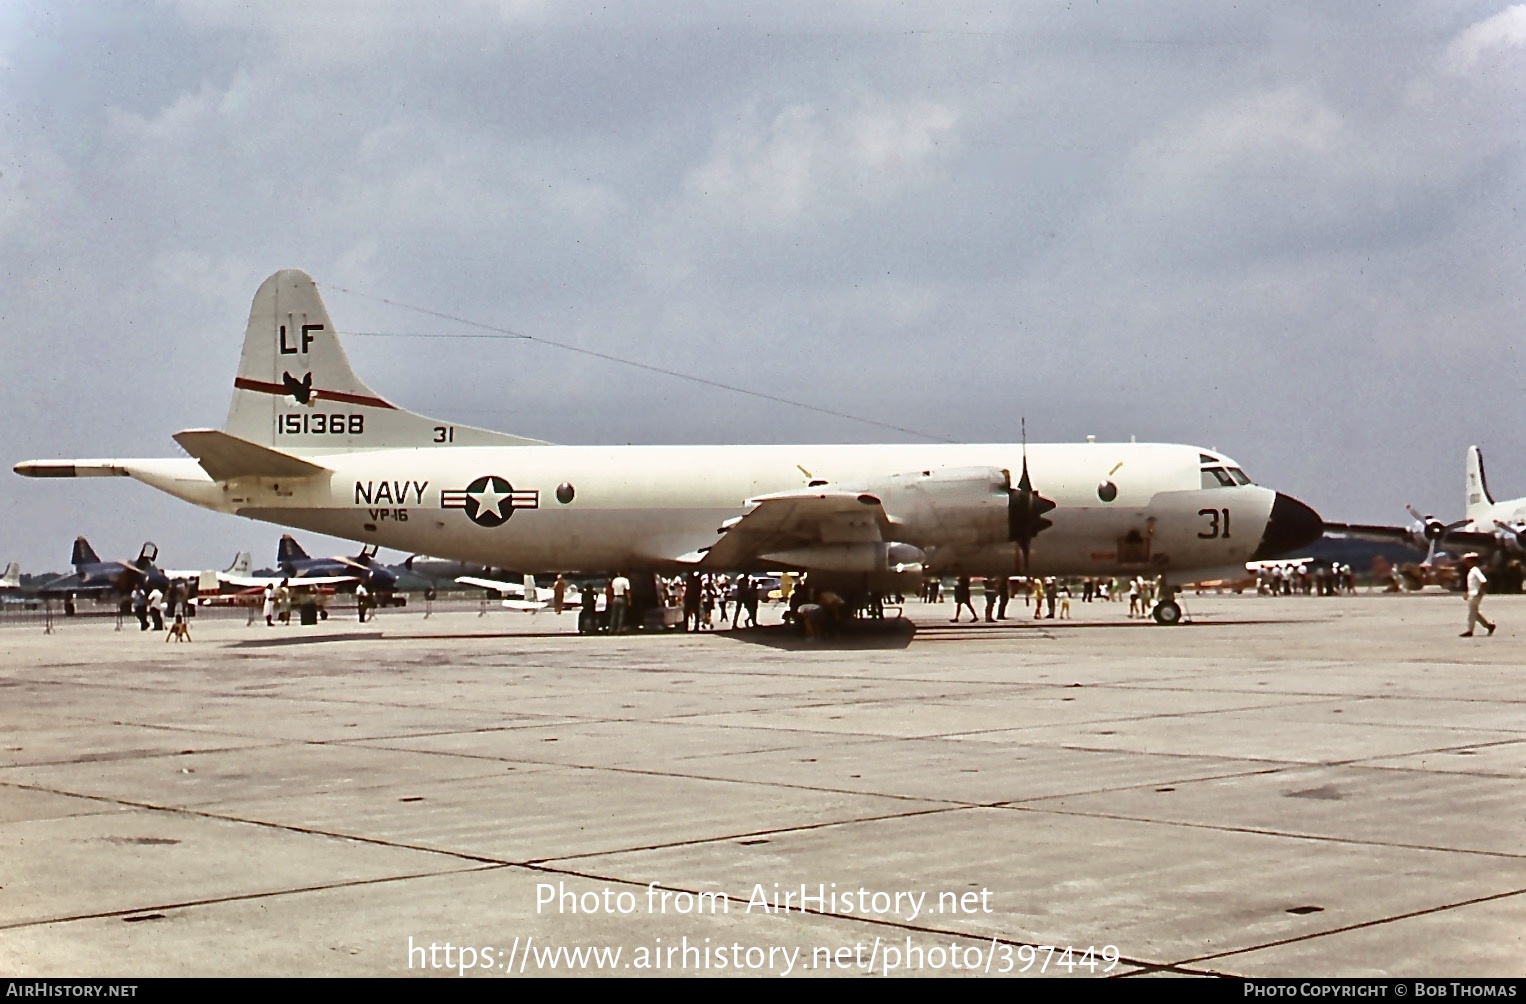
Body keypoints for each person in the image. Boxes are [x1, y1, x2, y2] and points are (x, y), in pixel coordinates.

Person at [1460, 553, 1497, 638]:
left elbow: (1483, 581)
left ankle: (1470, 630)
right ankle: (1489, 626)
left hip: (1476, 594)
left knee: (1472, 613)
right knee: (1475, 613)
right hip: (1472, 593)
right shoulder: (1472, 570)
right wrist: (1467, 593)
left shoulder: (1475, 570)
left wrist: (1481, 591)